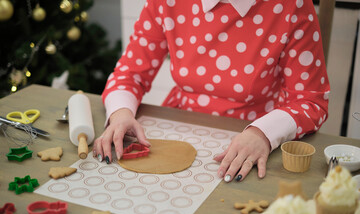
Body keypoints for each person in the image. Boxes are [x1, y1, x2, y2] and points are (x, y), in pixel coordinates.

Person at [93, 0, 330, 182]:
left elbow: (311, 101)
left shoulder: (292, 5)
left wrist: (263, 134)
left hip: (257, 138)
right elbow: (130, 73)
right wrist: (120, 113)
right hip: (177, 126)